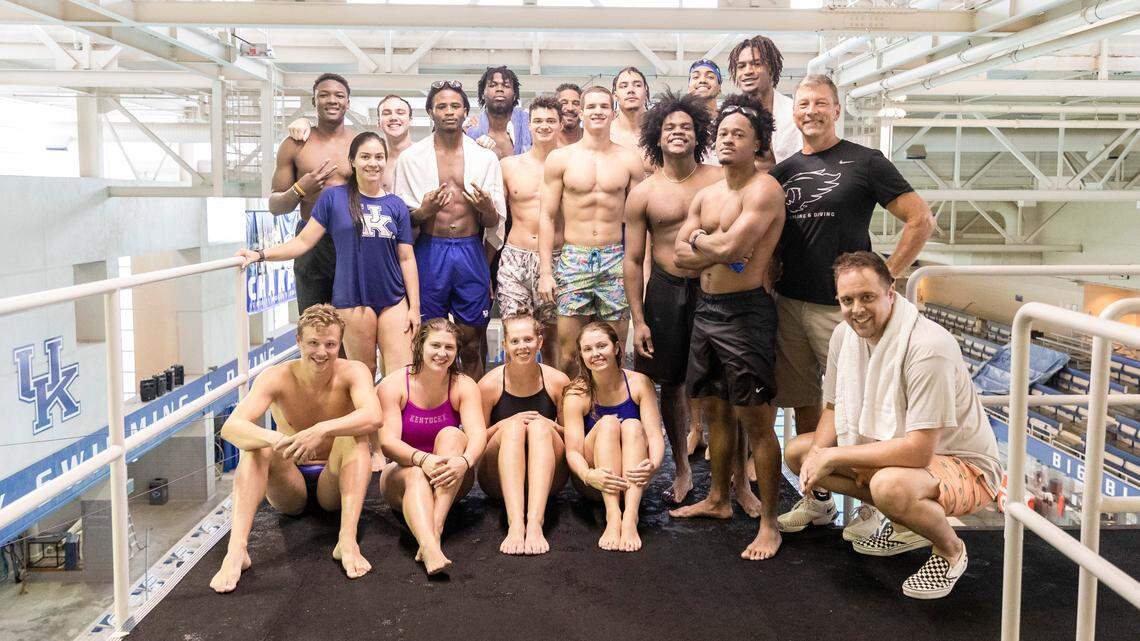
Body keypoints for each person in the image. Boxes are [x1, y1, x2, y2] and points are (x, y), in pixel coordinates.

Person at [771, 75, 934, 539]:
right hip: (792, 305)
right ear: (794, 112)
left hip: (843, 312)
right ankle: (817, 500)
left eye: (820, 104)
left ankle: (876, 507)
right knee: (807, 406)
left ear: (837, 110)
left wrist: (887, 278)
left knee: (864, 408)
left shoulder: (865, 162)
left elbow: (920, 220)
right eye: (803, 104)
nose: (810, 112)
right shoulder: (783, 172)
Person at [784, 251, 1001, 599]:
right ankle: (903, 521)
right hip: (899, 452)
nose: (857, 309)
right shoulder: (844, 336)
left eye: (867, 297)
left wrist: (836, 457)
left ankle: (950, 550)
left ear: (890, 292)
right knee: (799, 452)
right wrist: (821, 454)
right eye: (847, 300)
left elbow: (918, 451)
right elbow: (833, 405)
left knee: (888, 485)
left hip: (964, 464)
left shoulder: (928, 347)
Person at [668, 93, 787, 562]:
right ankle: (718, 498)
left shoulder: (763, 190)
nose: (728, 140)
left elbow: (737, 246)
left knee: (756, 418)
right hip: (707, 309)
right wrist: (709, 244)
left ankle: (770, 523)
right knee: (715, 408)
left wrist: (707, 244)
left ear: (758, 143)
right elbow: (682, 255)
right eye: (722, 134)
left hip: (747, 313)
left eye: (739, 134)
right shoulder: (707, 194)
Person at [210, 306, 381, 593]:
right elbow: (231, 427)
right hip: (291, 486)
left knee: (355, 437)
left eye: (330, 344)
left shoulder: (354, 371)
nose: (322, 352)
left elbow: (374, 416)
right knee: (257, 446)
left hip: (334, 483)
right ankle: (237, 550)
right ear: (299, 341)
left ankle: (347, 540)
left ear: (339, 344)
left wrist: (321, 429)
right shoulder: (276, 377)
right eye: (313, 343)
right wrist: (275, 440)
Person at [239, 132, 420, 381]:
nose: (373, 163)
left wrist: (415, 307)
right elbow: (303, 241)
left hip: (394, 298)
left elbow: (406, 259)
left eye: (379, 157)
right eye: (365, 156)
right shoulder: (334, 198)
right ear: (353, 161)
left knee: (402, 376)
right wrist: (261, 254)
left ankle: (394, 421)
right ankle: (367, 420)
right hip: (353, 299)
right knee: (364, 373)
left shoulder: (395, 204)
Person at [623, 91, 722, 506]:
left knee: (721, 385)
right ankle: (682, 469)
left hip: (717, 289)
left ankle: (727, 480)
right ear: (656, 137)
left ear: (698, 133)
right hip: (665, 289)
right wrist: (639, 319)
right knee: (671, 384)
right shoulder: (644, 192)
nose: (678, 133)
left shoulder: (719, 180)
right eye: (669, 128)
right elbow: (631, 260)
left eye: (686, 127)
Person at [394, 80, 507, 380]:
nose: (448, 111)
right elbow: (404, 221)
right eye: (441, 106)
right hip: (430, 251)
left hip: (470, 251)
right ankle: (434, 409)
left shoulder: (485, 158)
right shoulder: (410, 158)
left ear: (466, 111)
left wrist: (485, 208)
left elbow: (495, 221)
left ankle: (475, 414)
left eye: (455, 106)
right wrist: (424, 211)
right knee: (430, 341)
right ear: (430, 111)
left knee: (472, 342)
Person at [537, 86, 644, 372]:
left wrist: (641, 271)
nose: (598, 111)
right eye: (592, 107)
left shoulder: (629, 159)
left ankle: (613, 412)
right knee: (568, 353)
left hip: (615, 258)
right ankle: (569, 415)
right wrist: (546, 272)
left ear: (613, 112)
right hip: (574, 258)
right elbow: (546, 217)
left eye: (604, 107)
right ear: (581, 112)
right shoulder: (561, 159)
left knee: (614, 350)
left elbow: (638, 223)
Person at [377, 318, 488, 575]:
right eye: (435, 345)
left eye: (449, 347)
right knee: (416, 472)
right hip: (403, 476)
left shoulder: (463, 385)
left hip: (450, 477)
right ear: (420, 346)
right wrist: (421, 459)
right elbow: (387, 443)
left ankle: (433, 531)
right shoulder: (394, 385)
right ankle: (431, 544)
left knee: (452, 434)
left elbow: (477, 434)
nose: (442, 353)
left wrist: (465, 461)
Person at [563, 322, 665, 552]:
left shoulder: (639, 383)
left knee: (631, 425)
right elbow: (572, 450)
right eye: (588, 349)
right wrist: (589, 475)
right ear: (581, 354)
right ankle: (612, 515)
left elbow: (654, 435)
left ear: (617, 348)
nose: (595, 354)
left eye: (601, 346)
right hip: (595, 480)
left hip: (633, 480)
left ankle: (630, 516)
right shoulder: (576, 393)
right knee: (608, 423)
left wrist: (654, 465)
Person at [477, 313, 572, 555]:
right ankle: (516, 523)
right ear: (504, 344)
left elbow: (572, 437)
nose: (522, 347)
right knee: (515, 427)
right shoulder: (488, 385)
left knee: (538, 426)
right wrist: (506, 423)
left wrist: (548, 424)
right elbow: (475, 442)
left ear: (540, 342)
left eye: (528, 340)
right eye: (516, 341)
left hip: (548, 479)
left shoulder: (557, 381)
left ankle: (535, 522)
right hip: (499, 479)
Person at [269, 73, 354, 314]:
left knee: (353, 324)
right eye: (324, 95)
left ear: (348, 102)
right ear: (314, 101)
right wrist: (299, 189)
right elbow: (275, 205)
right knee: (313, 322)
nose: (332, 100)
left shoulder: (358, 144)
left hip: (352, 239)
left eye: (339, 95)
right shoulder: (295, 144)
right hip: (310, 238)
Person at [498, 96, 562, 364]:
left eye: (550, 120)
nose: (544, 126)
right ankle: (513, 402)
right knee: (516, 336)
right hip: (516, 257)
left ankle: (556, 403)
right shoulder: (509, 166)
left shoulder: (570, 165)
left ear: (560, 124)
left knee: (554, 341)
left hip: (558, 257)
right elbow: (494, 220)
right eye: (538, 121)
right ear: (528, 124)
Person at [288, 94, 414, 194]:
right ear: (378, 122)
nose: (393, 117)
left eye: (400, 112)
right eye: (386, 113)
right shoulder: (366, 156)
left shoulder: (424, 155)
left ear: (411, 120)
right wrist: (304, 122)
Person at [727, 35, 801, 168]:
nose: (748, 71)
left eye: (756, 64)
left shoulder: (793, 113)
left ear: (771, 68)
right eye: (741, 66)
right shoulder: (728, 116)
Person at [465, 66, 531, 159]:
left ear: (514, 95)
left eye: (506, 86)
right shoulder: (471, 134)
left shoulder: (531, 125)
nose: (499, 89)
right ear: (483, 94)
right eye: (492, 85)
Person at [555, 83, 583, 147]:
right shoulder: (547, 142)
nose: (570, 108)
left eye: (576, 103)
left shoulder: (592, 141)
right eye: (564, 103)